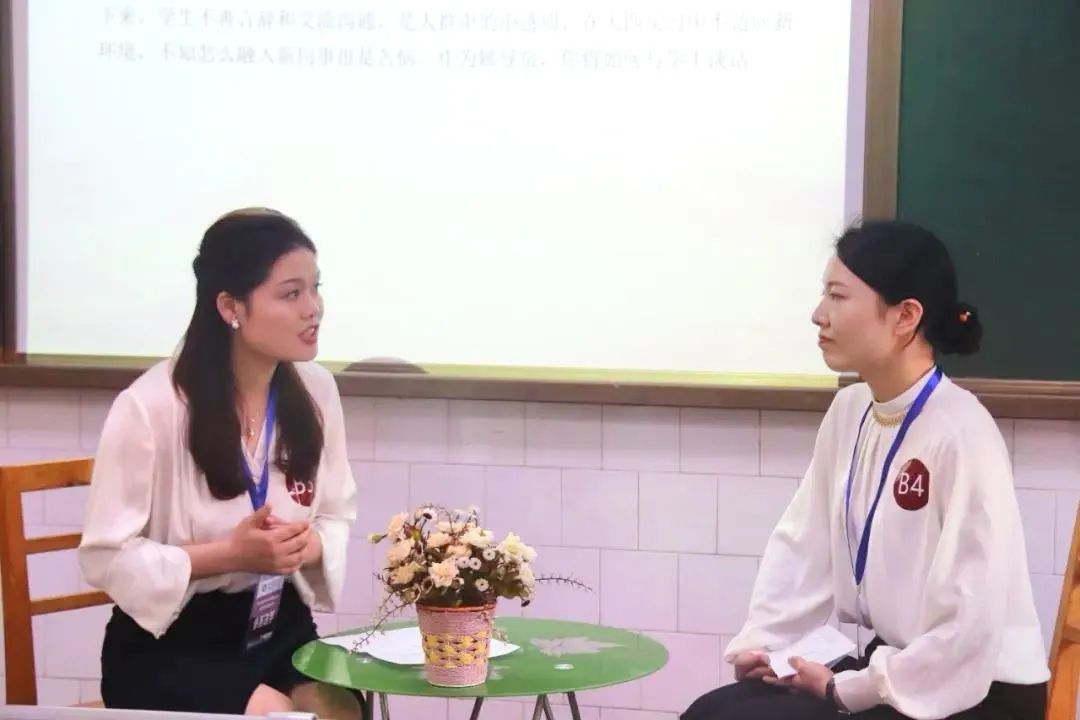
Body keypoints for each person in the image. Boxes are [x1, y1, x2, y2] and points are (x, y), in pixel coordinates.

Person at [683, 220, 1048, 719]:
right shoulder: (850, 409)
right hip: (898, 665)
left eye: (837, 296)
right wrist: (768, 644)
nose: (818, 315)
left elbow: (969, 623)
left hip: (978, 688)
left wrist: (846, 688)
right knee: (713, 711)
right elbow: (804, 544)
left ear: (905, 316)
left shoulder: (963, 432)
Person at [78, 208, 362, 718]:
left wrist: (306, 545)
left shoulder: (317, 390)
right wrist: (230, 554)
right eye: (291, 294)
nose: (313, 309)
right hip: (173, 641)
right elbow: (105, 557)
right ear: (230, 306)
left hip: (276, 623)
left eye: (315, 289)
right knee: (276, 714)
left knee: (342, 708)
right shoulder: (150, 406)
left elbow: (336, 513)